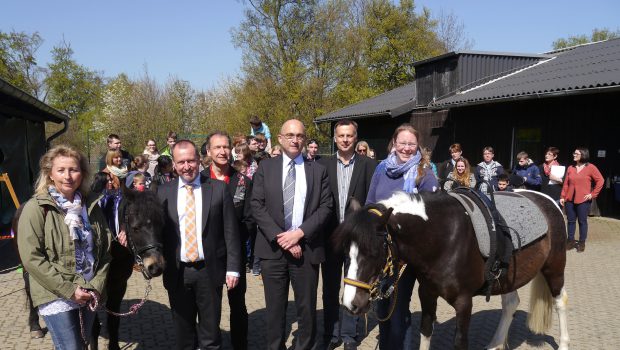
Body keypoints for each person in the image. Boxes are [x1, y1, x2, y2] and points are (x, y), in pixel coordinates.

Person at [17, 145, 111, 349]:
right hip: (56, 293)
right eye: (61, 170)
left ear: (82, 173)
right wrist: (69, 290)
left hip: (89, 290)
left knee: (83, 344)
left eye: (73, 169)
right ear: (50, 174)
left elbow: (105, 252)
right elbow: (31, 258)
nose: (68, 176)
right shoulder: (36, 208)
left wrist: (96, 285)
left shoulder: (92, 207)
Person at [251, 119, 332, 350]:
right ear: (280, 138)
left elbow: (326, 207)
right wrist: (282, 237)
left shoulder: (318, 171)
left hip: (306, 251)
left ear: (304, 139)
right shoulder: (266, 168)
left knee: (306, 310)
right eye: (290, 135)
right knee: (275, 310)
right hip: (273, 250)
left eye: (299, 136)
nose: (295, 140)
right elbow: (257, 205)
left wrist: (299, 234)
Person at [157, 140, 241, 350]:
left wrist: (233, 269)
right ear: (174, 165)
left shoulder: (218, 189)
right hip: (178, 272)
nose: (187, 166)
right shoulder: (163, 192)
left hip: (209, 271)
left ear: (199, 160)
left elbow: (231, 232)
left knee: (210, 335)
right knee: (183, 335)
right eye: (181, 162)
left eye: (191, 161)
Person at [366, 123, 438, 350]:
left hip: (405, 256)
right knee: (380, 308)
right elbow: (370, 204)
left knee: (397, 312)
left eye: (411, 144)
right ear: (394, 144)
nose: (406, 148)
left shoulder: (424, 174)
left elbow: (434, 216)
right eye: (402, 143)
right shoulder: (381, 170)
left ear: (417, 146)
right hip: (380, 254)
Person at [318, 119, 377, 350]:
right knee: (330, 289)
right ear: (335, 138)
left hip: (357, 240)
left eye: (349, 135)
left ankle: (349, 336)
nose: (344, 139)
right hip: (331, 237)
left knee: (353, 288)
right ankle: (331, 334)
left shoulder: (369, 166)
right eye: (341, 136)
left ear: (356, 137)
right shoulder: (322, 165)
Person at [202, 131, 256, 350]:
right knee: (209, 306)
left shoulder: (243, 181)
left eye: (226, 147)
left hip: (235, 254)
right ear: (208, 151)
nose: (223, 151)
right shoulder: (200, 180)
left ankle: (239, 344)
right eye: (218, 147)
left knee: (238, 305)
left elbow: (250, 218)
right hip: (207, 255)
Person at [560, 147, 604, 252]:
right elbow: (566, 183)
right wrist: (562, 196)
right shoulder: (571, 168)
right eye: (574, 153)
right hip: (570, 199)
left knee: (582, 221)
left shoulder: (591, 167)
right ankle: (570, 241)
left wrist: (593, 194)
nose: (574, 155)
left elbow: (601, 180)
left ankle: (581, 243)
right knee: (570, 221)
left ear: (583, 155)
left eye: (576, 153)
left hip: (583, 200)